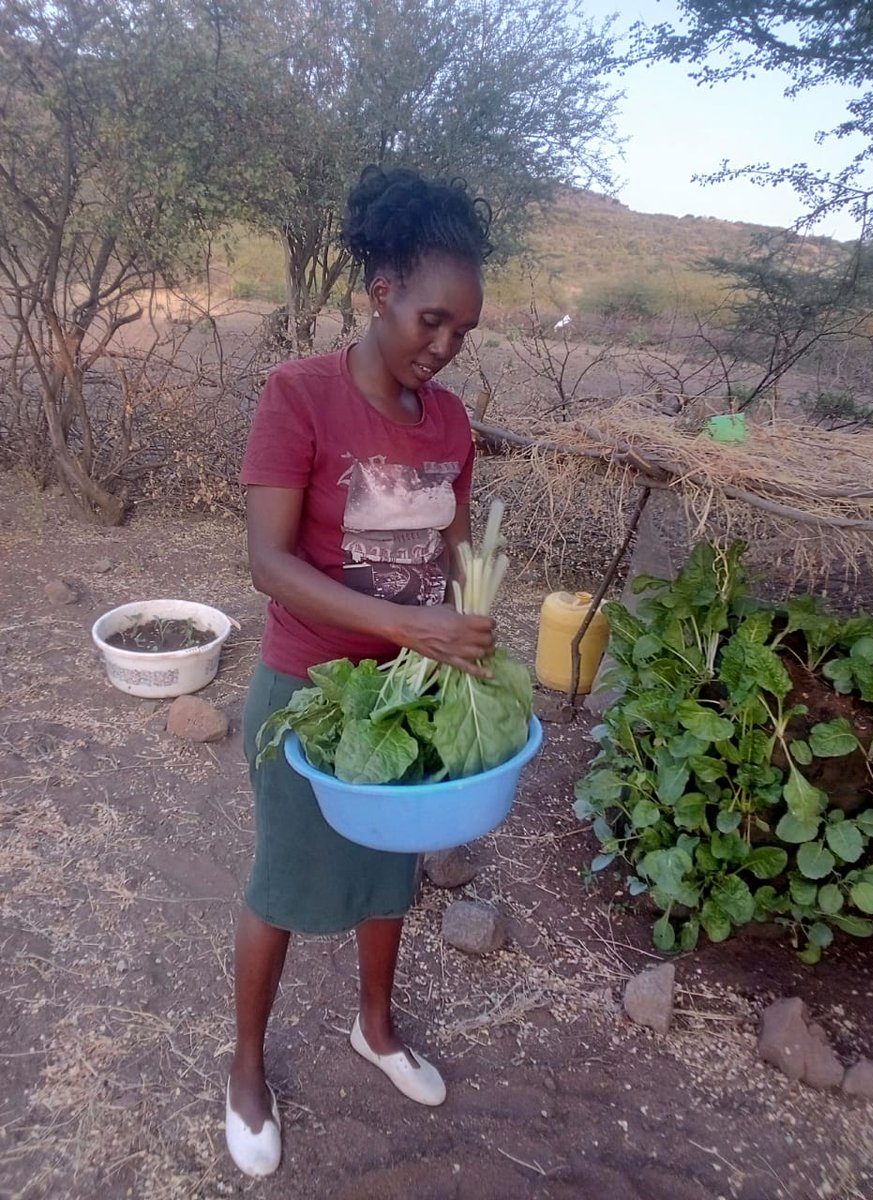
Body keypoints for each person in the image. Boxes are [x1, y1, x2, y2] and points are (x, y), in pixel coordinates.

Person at [226, 165, 495, 1178]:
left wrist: (467, 626)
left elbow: (455, 548)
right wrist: (403, 622)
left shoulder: (451, 423)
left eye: (463, 331)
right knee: (283, 885)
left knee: (390, 878)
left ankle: (374, 1029)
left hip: (406, 698)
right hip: (311, 692)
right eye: (432, 319)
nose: (445, 345)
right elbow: (269, 563)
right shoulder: (300, 395)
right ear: (381, 291)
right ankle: (246, 1068)